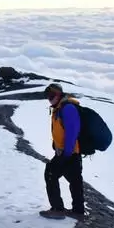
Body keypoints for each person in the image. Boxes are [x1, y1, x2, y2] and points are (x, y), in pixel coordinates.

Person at [40, 83, 85, 220]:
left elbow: (72, 132)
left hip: (68, 152)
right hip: (70, 152)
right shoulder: (59, 108)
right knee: (75, 180)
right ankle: (78, 211)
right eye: (48, 96)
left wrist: (66, 153)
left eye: (52, 96)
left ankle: (57, 209)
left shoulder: (68, 108)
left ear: (59, 95)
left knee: (50, 174)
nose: (50, 99)